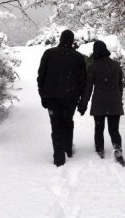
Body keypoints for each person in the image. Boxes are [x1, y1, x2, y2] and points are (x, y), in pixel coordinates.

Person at [37, 29, 87, 167]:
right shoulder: (78, 57)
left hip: (52, 97)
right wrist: (82, 99)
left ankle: (59, 157)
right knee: (68, 122)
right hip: (71, 97)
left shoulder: (49, 54)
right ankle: (67, 148)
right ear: (72, 41)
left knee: (56, 125)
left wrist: (42, 94)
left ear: (60, 39)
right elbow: (83, 80)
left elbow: (41, 75)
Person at [78, 40, 125, 167]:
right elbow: (120, 85)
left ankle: (99, 150)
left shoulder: (93, 67)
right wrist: (118, 99)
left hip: (99, 103)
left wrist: (83, 104)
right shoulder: (116, 65)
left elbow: (88, 88)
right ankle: (117, 149)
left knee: (99, 128)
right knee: (114, 129)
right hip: (114, 102)